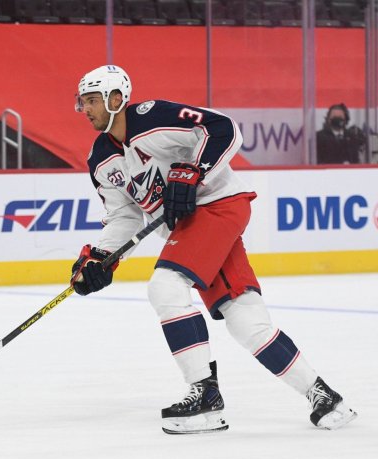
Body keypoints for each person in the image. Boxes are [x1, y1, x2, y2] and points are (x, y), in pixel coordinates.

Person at [71, 65, 357, 434]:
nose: (87, 108)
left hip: (219, 205)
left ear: (116, 98)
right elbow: (124, 216)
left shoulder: (152, 117)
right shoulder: (99, 159)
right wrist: (101, 258)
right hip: (193, 228)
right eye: (83, 102)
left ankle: (205, 396)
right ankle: (324, 396)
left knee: (165, 286)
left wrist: (194, 169)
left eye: (93, 100)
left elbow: (222, 127)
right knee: (246, 321)